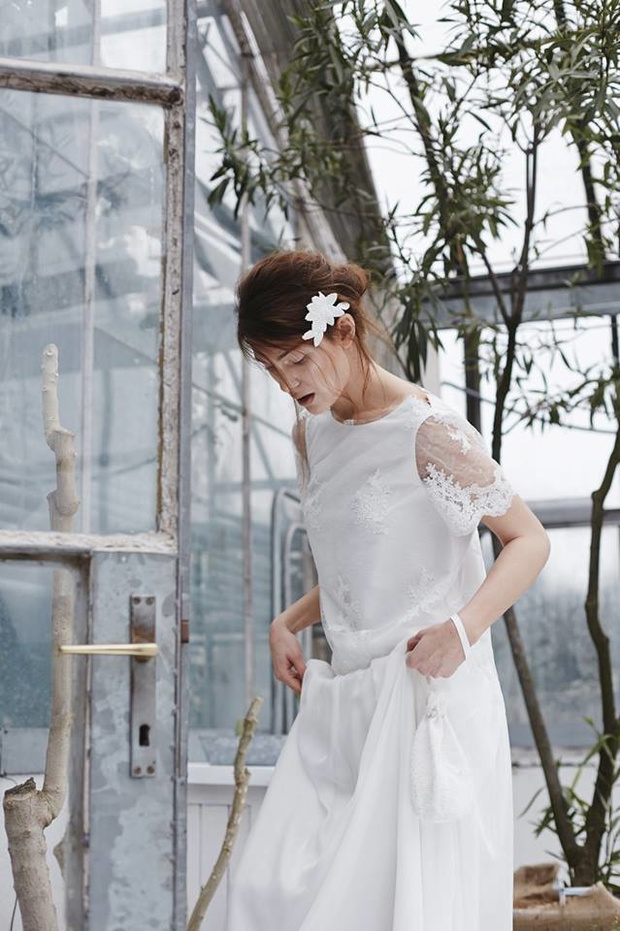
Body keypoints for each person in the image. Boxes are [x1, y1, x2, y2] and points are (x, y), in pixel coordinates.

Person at [226, 249, 550, 931]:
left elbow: (528, 540)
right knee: (274, 893)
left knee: (405, 908)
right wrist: (290, 619)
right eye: (272, 369)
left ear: (343, 331)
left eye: (296, 360)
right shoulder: (312, 433)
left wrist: (461, 631)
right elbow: (365, 561)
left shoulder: (429, 431)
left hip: (425, 701)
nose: (287, 384)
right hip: (346, 702)